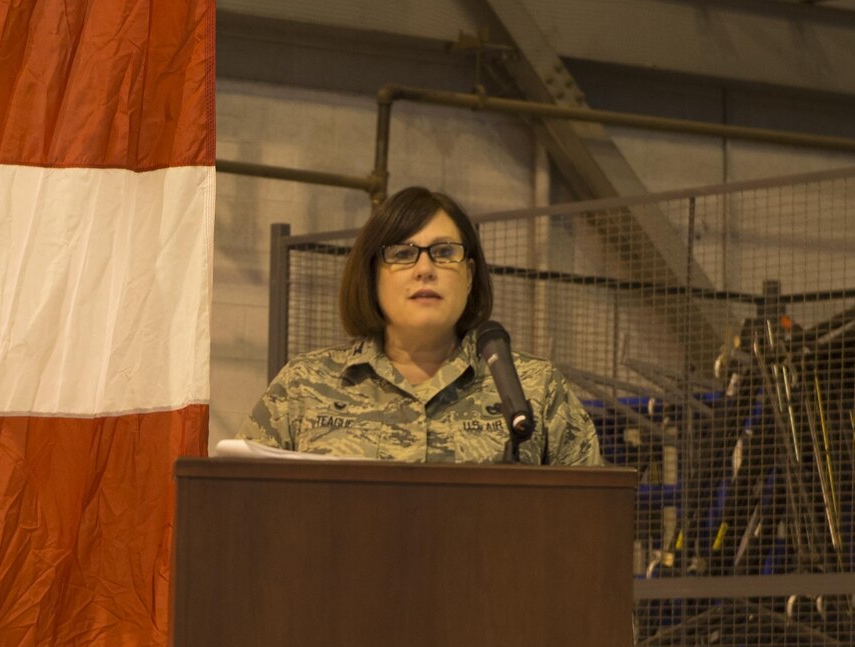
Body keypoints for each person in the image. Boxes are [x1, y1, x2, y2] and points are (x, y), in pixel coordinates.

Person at [236, 187, 605, 465]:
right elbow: (241, 505)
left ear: (470, 275)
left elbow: (592, 521)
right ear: (372, 275)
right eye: (401, 254)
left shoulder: (534, 389)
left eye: (445, 253)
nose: (425, 268)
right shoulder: (303, 386)